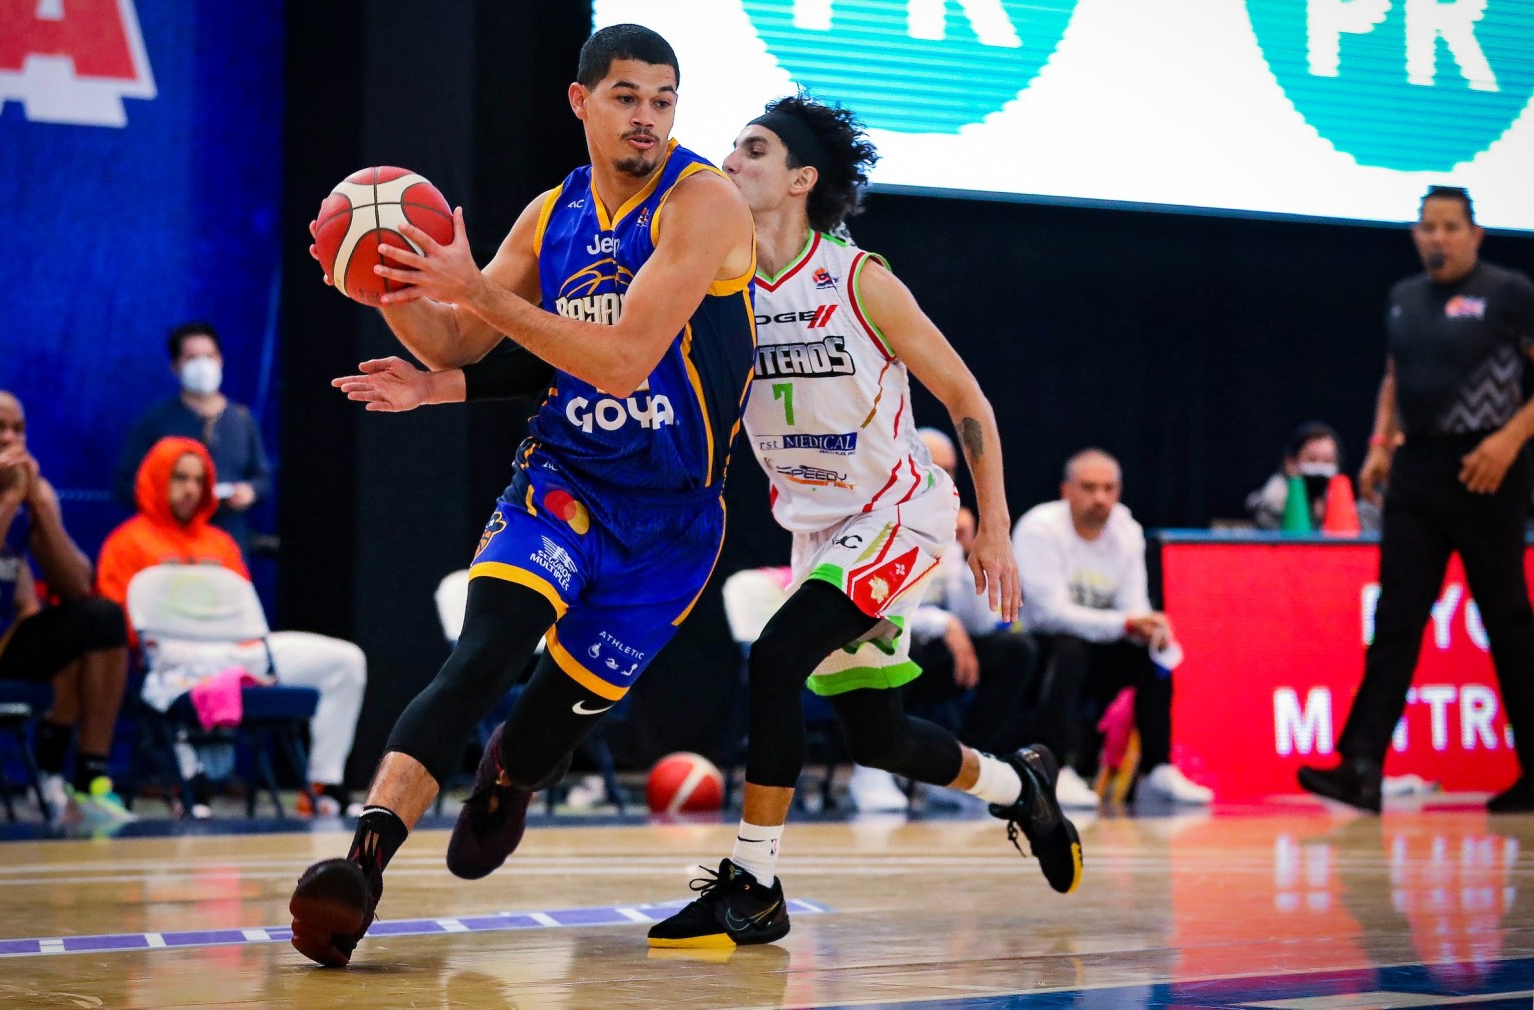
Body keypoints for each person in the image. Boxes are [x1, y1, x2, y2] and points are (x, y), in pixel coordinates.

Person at [332, 94, 1083, 949]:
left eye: (753, 150)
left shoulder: (857, 280)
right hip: (819, 529)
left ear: (801, 180)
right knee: (877, 737)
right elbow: (587, 358)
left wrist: (993, 527)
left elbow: (964, 396)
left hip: (897, 513)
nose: (729, 160)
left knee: (776, 656)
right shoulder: (714, 276)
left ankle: (753, 883)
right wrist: (440, 384)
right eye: (729, 146)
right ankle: (1020, 786)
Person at [287, 24, 759, 967]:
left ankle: (509, 775)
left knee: (542, 732)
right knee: (479, 656)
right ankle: (359, 868)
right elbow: (454, 341)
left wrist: (474, 290)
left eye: (663, 100)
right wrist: (386, 279)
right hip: (563, 480)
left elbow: (623, 361)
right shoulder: (553, 215)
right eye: (626, 97)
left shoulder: (702, 203)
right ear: (581, 101)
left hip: (670, 523)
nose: (647, 117)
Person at [1299, 186, 1534, 814]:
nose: (1439, 237)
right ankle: (1360, 767)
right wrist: (1380, 443)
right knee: (1396, 618)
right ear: (1415, 233)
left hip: (1488, 469)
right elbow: (1395, 376)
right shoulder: (1403, 297)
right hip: (1417, 470)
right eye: (1429, 226)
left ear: (1475, 234)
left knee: (1508, 622)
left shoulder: (1508, 292)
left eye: (1451, 227)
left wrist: (1509, 440)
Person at [96, 437, 367, 816]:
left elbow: (243, 617)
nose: (191, 489)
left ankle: (323, 785)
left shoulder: (220, 543)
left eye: (199, 479)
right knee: (185, 674)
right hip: (175, 658)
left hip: (240, 653)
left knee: (346, 660)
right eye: (180, 478)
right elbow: (116, 619)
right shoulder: (126, 543)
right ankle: (192, 787)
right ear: (157, 478)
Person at [849, 428, 1038, 812]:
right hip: (871, 647)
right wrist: (943, 624)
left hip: (933, 659)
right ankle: (871, 768)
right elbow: (873, 606)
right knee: (897, 641)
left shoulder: (945, 524)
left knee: (1014, 650)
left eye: (950, 471)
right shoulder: (873, 515)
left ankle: (960, 767)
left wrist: (969, 552)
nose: (942, 480)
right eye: (931, 467)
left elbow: (979, 623)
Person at [1013, 449, 1214, 807]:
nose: (1100, 498)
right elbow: (1049, 614)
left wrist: (1149, 627)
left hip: (1098, 648)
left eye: (1109, 489)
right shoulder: (1039, 528)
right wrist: (1125, 623)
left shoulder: (1127, 531)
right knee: (1069, 647)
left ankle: (1157, 769)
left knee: (1154, 653)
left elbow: (1133, 604)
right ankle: (1056, 768)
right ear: (1066, 490)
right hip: (1039, 650)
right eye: (1089, 488)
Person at [0, 390, 133, 822]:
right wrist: (8, 504)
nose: (9, 439)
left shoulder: (26, 494)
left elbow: (78, 585)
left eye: (18, 429)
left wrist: (42, 507)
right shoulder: (6, 499)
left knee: (100, 619)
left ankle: (88, 781)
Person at [116, 322, 271, 558]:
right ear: (175, 366)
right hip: (168, 551)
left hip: (228, 547)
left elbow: (263, 479)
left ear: (220, 360)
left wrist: (250, 491)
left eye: (209, 356)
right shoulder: (155, 421)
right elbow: (125, 484)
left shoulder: (242, 418)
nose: (203, 365)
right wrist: (171, 498)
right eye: (192, 358)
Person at [1245, 421, 1380, 531]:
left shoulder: (1346, 505)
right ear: (1290, 463)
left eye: (1328, 461)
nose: (1320, 467)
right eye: (1312, 460)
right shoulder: (1270, 504)